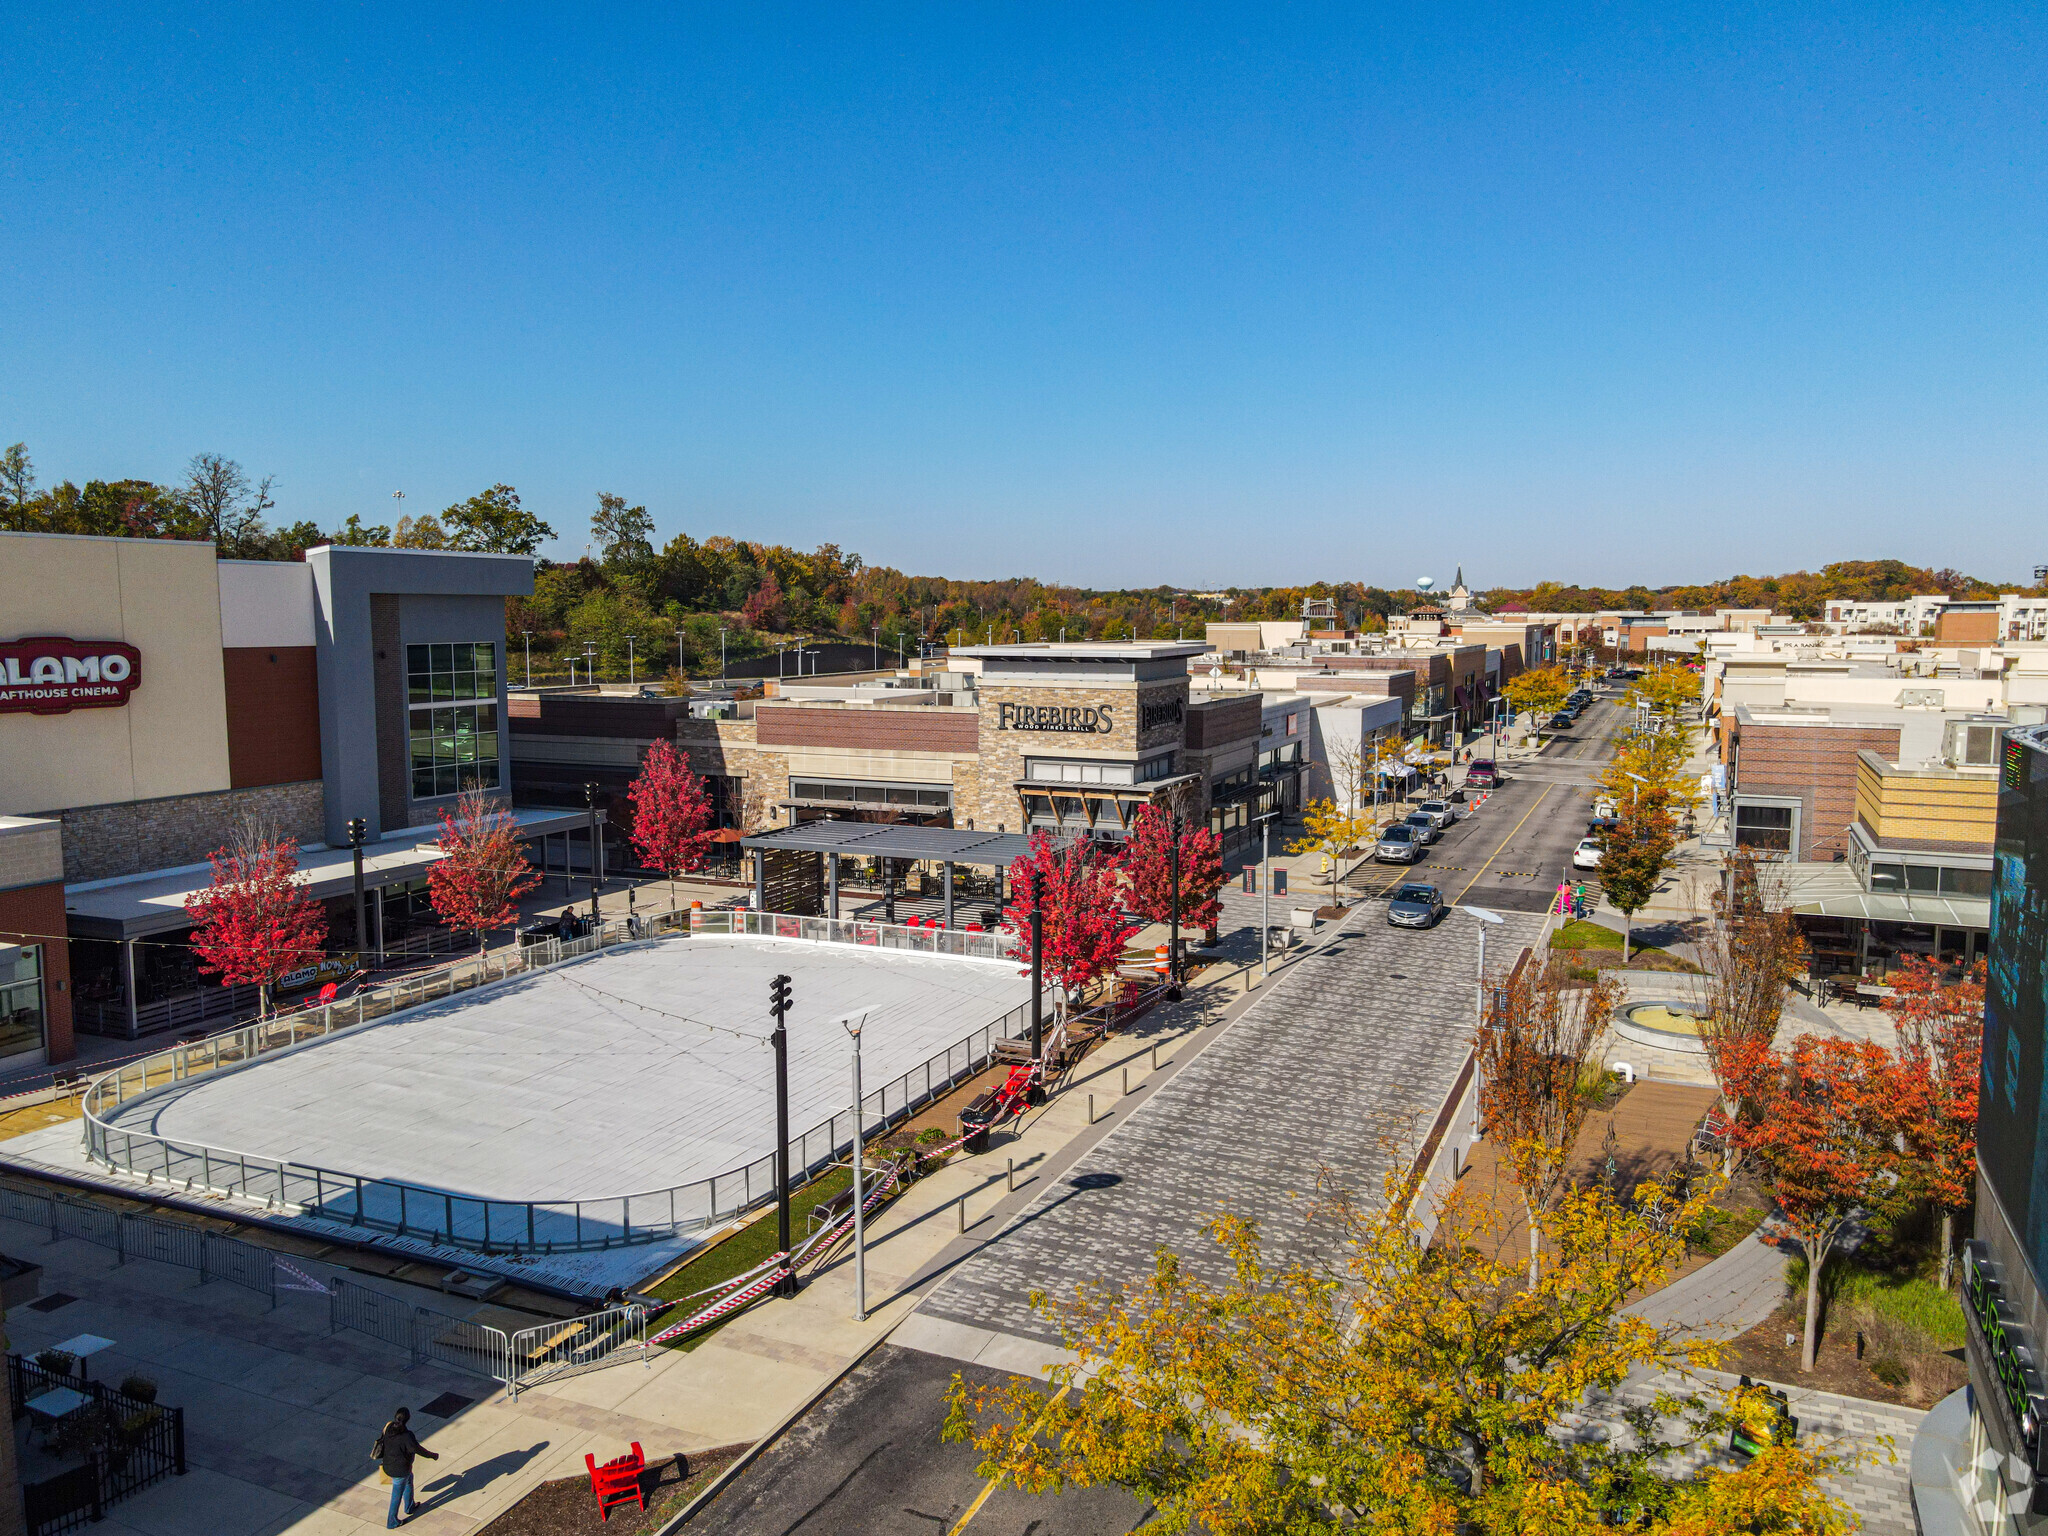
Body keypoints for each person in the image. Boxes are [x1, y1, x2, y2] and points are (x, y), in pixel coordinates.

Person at [373, 1407, 439, 1528]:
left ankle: (410, 1506)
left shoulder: (388, 1427)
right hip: (400, 1470)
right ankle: (392, 1521)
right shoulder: (407, 1436)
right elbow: (418, 1450)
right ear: (408, 1419)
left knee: (409, 1479)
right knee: (396, 1494)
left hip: (388, 1465)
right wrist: (433, 1456)